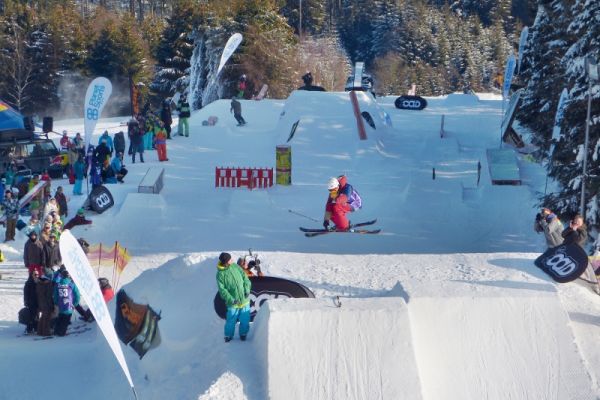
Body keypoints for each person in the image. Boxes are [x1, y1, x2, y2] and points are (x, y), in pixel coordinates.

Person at [216, 252, 251, 342]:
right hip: (232, 303)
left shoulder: (235, 266)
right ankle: (228, 336)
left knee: (245, 319)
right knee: (231, 321)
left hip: (244, 300)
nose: (232, 260)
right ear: (226, 262)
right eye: (230, 259)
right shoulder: (220, 274)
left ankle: (243, 334)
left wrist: (247, 289)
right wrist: (231, 299)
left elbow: (245, 278)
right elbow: (222, 290)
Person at [53, 267, 81, 336]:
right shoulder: (71, 284)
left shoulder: (58, 284)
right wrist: (75, 303)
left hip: (60, 305)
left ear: (62, 276)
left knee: (60, 318)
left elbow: (55, 295)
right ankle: (61, 333)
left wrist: (56, 303)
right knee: (65, 320)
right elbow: (77, 295)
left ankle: (56, 331)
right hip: (69, 305)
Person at [23, 270, 39, 335]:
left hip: (37, 302)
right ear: (31, 275)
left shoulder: (38, 282)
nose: (37, 276)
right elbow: (25, 293)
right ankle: (29, 329)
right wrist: (26, 301)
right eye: (35, 274)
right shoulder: (28, 283)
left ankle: (35, 328)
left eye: (37, 274)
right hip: (31, 302)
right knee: (31, 316)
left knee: (36, 315)